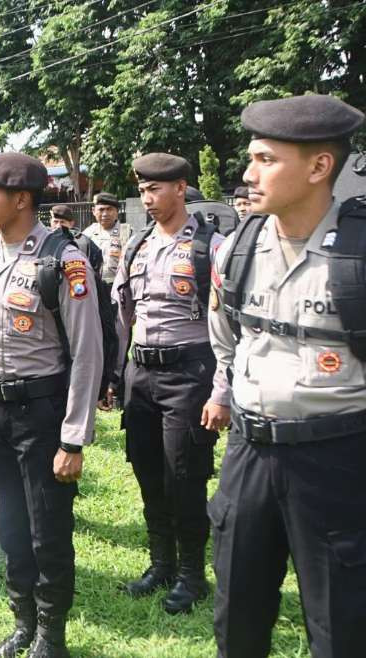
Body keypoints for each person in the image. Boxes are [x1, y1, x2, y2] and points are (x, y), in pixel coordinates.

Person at [207, 94, 366, 658]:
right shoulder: (238, 247)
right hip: (248, 451)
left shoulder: (358, 252)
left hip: (336, 461)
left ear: (320, 167)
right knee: (237, 616)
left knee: (340, 625)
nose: (249, 174)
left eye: (265, 159)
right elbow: (225, 339)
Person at [0, 154, 102, 658]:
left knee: (47, 532)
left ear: (21, 199)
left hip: (42, 414)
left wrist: (73, 438)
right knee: (10, 526)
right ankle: (22, 624)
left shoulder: (62, 261)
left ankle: (51, 637)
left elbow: (88, 353)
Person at [111, 152, 224, 615]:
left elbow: (227, 326)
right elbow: (122, 313)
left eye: (155, 188)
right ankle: (161, 563)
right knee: (147, 469)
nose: (147, 198)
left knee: (185, 475)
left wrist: (221, 390)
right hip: (142, 372)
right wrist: (116, 375)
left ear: (180, 188)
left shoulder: (209, 248)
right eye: (142, 190)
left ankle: (192, 575)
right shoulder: (136, 245)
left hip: (189, 372)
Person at [81, 192, 132, 286]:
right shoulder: (87, 234)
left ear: (117, 211)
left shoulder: (127, 232)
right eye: (101, 210)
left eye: (109, 209)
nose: (105, 214)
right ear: (93, 211)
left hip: (118, 286)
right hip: (93, 286)